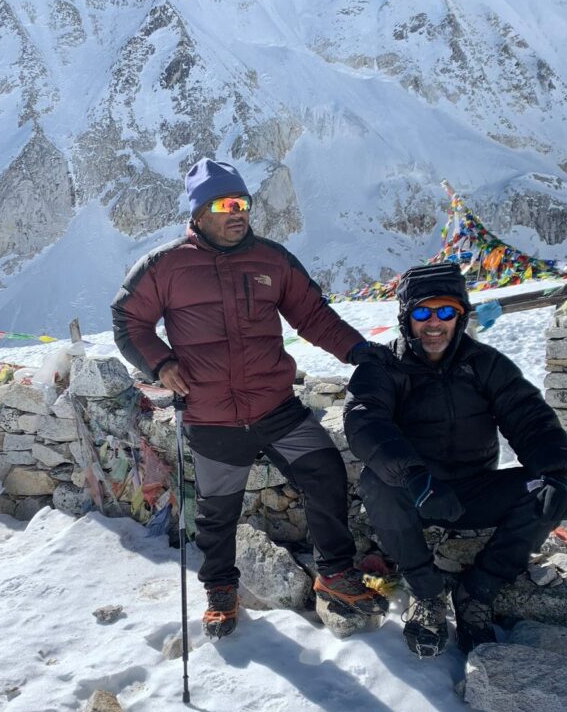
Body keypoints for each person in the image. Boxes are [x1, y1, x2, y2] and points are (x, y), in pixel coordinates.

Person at [112, 158, 388, 638]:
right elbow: (128, 322)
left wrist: (358, 351)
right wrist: (160, 364)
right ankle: (221, 591)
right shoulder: (165, 265)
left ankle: (336, 575)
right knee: (217, 513)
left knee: (324, 471)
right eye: (223, 204)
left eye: (242, 202)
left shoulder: (272, 259)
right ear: (198, 214)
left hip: (274, 406)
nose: (237, 212)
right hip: (211, 415)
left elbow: (314, 317)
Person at [343, 262, 567, 658]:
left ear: (461, 315)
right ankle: (427, 592)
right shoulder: (382, 367)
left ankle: (478, 591)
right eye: (422, 312)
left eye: (445, 311)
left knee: (543, 492)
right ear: (406, 318)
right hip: (416, 492)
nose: (433, 323)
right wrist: (415, 478)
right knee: (375, 482)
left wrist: (557, 474)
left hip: (474, 490)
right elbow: (364, 421)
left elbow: (529, 417)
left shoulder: (485, 364)